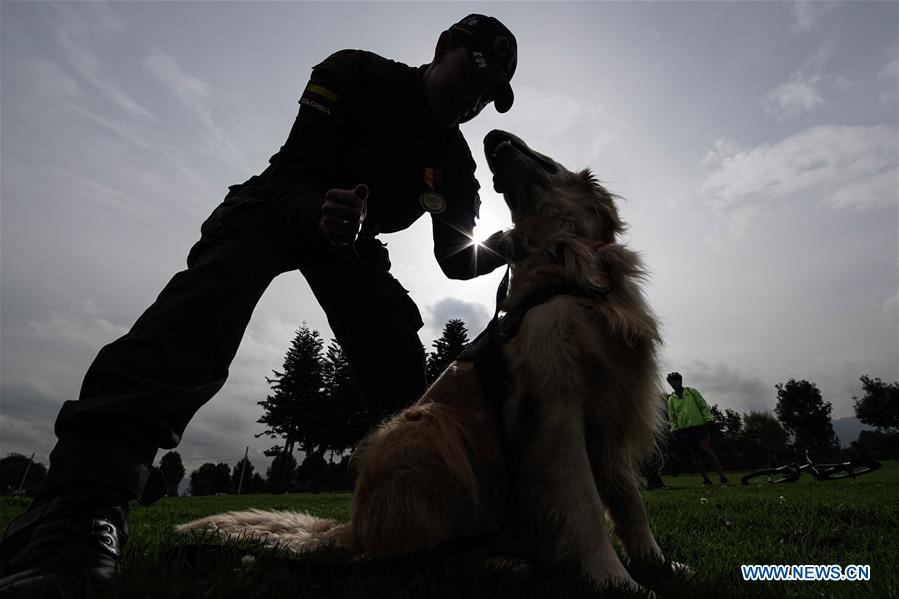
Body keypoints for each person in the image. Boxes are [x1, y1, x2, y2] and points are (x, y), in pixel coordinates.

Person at [0, 14, 518, 595]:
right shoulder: (352, 72)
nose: (473, 99)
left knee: (397, 352)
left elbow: (456, 259)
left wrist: (518, 241)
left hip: (352, 241)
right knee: (208, 299)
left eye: (487, 94)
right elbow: (294, 170)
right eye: (470, 75)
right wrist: (321, 211)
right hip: (278, 204)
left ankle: (425, 513)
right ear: (442, 46)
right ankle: (78, 503)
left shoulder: (456, 163)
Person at [665, 372, 730, 486]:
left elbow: (702, 405)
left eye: (676, 381)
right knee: (695, 455)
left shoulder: (691, 392)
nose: (674, 384)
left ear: (681, 381)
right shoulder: (671, 399)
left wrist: (708, 418)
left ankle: (722, 477)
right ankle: (706, 480)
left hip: (699, 426)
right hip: (685, 429)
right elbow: (673, 416)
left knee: (707, 450)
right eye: (672, 382)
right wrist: (674, 429)